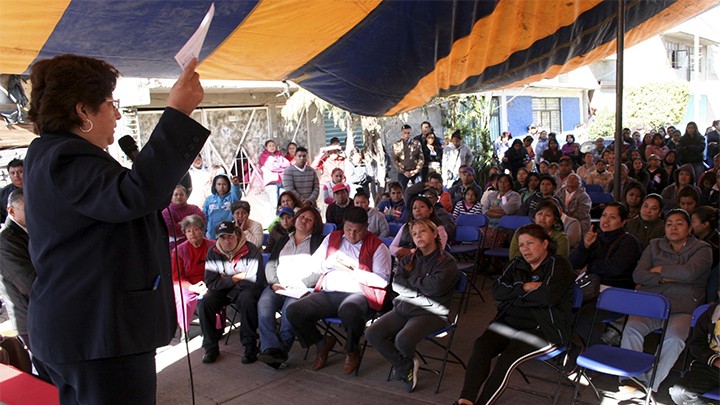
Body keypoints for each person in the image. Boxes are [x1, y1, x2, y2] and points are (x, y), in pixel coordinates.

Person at [24, 54, 207, 404]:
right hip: (98, 333)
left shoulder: (50, 153)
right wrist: (178, 114)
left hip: (85, 331)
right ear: (83, 111)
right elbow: (134, 195)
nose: (118, 115)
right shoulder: (66, 157)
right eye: (111, 104)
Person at [454, 224, 575, 405]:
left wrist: (515, 296)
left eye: (530, 243)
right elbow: (497, 292)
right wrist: (524, 287)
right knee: (481, 346)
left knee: (507, 359)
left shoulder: (559, 264)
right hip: (509, 322)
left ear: (544, 244)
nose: (525, 249)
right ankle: (466, 401)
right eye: (521, 245)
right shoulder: (516, 264)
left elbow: (548, 297)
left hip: (543, 328)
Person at [617, 209, 712, 397]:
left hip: (683, 308)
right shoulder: (654, 246)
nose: (673, 227)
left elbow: (690, 273)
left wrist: (659, 270)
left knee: (675, 338)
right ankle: (631, 378)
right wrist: (667, 279)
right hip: (652, 304)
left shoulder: (702, 249)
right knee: (631, 329)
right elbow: (639, 274)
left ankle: (651, 382)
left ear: (689, 228)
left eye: (679, 223)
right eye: (669, 224)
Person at [285, 207, 392, 375]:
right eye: (348, 229)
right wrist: (328, 263)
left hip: (360, 294)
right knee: (293, 311)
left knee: (349, 310)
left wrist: (354, 272)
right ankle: (322, 343)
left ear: (367, 227)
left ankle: (352, 350)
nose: (352, 234)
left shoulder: (378, 247)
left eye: (357, 231)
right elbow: (313, 264)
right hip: (329, 292)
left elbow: (383, 280)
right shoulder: (333, 238)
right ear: (344, 225)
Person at [366, 219, 459, 392]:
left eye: (423, 231)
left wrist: (411, 283)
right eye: (414, 234)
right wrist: (420, 286)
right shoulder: (408, 259)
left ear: (434, 233)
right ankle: (405, 365)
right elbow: (397, 285)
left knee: (403, 339)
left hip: (432, 312)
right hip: (405, 308)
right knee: (372, 332)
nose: (418, 236)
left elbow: (436, 288)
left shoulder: (446, 261)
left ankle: (402, 365)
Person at [257, 207, 325, 369]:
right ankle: (271, 349)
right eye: (302, 217)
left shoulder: (319, 242)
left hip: (301, 287)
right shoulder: (283, 240)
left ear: (314, 225)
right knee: (263, 306)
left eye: (309, 219)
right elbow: (271, 264)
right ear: (295, 219)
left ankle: (278, 353)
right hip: (278, 285)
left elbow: (321, 269)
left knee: (289, 311)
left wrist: (303, 283)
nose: (304, 221)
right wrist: (273, 282)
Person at [570, 203, 643, 347]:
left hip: (616, 293)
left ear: (623, 222)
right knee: (564, 307)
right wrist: (584, 247)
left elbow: (615, 268)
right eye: (604, 215)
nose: (606, 220)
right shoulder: (595, 237)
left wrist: (590, 266)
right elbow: (574, 264)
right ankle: (569, 349)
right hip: (589, 290)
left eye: (612, 217)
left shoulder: (629, 242)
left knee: (585, 315)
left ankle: (590, 356)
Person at [199, 221, 265, 365]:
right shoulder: (213, 252)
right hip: (224, 289)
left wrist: (226, 280)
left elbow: (254, 279)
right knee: (205, 303)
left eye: (230, 236)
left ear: (237, 234)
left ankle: (249, 346)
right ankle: (210, 348)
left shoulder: (251, 250)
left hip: (246, 289)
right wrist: (236, 278)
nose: (226, 241)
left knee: (247, 300)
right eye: (222, 238)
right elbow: (211, 282)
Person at [0, 190, 34, 349]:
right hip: (29, 319)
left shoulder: (32, 230)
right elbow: (28, 284)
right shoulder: (5, 241)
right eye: (29, 208)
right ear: (11, 211)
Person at [668, 302, 720, 405]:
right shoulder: (712, 313)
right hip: (711, 366)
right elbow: (696, 343)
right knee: (680, 393)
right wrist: (715, 360)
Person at [170, 215, 214, 334]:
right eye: (188, 231)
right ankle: (184, 330)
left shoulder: (213, 246)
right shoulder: (178, 251)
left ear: (202, 230)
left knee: (212, 296)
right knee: (184, 298)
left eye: (195, 229)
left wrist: (208, 284)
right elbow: (176, 277)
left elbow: (220, 269)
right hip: (188, 284)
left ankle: (214, 328)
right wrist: (192, 287)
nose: (192, 233)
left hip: (210, 281)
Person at [691, 206, 719, 303]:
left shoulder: (714, 247)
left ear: (705, 225)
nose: (690, 225)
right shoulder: (694, 238)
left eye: (693, 221)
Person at [162, 185, 204, 250]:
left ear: (186, 196)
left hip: (195, 244)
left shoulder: (194, 208)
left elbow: (201, 222)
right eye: (176, 194)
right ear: (171, 197)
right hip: (175, 247)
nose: (179, 197)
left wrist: (180, 224)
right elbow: (171, 229)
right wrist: (190, 225)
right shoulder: (166, 212)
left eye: (181, 194)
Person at [203, 173, 243, 240]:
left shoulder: (232, 197)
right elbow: (204, 216)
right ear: (214, 186)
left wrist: (236, 186)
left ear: (228, 185)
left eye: (224, 184)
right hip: (211, 234)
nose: (221, 187)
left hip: (228, 232)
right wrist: (203, 230)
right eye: (219, 184)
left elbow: (237, 194)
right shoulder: (209, 199)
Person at [259, 139, 290, 211]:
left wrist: (278, 166)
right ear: (266, 147)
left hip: (281, 181)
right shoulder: (264, 156)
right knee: (274, 204)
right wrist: (281, 168)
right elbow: (271, 167)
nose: (272, 147)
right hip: (271, 183)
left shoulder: (279, 155)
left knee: (284, 203)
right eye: (270, 146)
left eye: (273, 145)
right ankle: (275, 221)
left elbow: (287, 164)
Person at [391, 124, 424, 189]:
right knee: (401, 190)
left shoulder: (416, 143)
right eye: (405, 133)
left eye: (408, 133)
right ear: (401, 133)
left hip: (414, 172)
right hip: (402, 172)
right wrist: (403, 171)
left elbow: (421, 158)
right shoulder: (396, 145)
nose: (406, 135)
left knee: (418, 189)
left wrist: (416, 170)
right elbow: (395, 160)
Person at [0, 158, 23, 223]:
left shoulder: (36, 189)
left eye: (20, 172)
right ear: (9, 175)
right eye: (13, 173)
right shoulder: (3, 194)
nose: (16, 176)